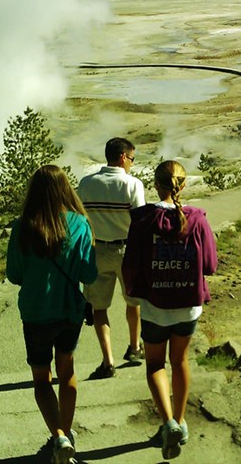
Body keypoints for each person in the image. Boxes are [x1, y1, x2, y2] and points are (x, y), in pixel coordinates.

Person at [122, 160, 218, 460]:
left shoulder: (143, 220)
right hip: (187, 306)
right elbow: (210, 265)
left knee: (154, 365)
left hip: (154, 306)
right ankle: (181, 420)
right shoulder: (197, 219)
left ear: (155, 184)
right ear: (183, 185)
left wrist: (134, 290)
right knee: (180, 360)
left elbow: (131, 264)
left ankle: (168, 423)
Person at [6, 165, 97, 464]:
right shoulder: (80, 224)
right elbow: (89, 274)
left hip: (35, 313)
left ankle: (58, 436)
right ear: (64, 189)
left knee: (41, 379)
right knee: (67, 372)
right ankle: (65, 434)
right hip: (69, 311)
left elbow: (14, 274)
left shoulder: (22, 226)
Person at [78, 137, 146, 379]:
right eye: (132, 159)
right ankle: (135, 347)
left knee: (99, 307)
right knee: (133, 302)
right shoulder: (132, 184)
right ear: (122, 157)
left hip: (97, 251)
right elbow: (140, 221)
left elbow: (81, 217)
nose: (132, 164)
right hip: (127, 251)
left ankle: (108, 361)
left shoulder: (86, 183)